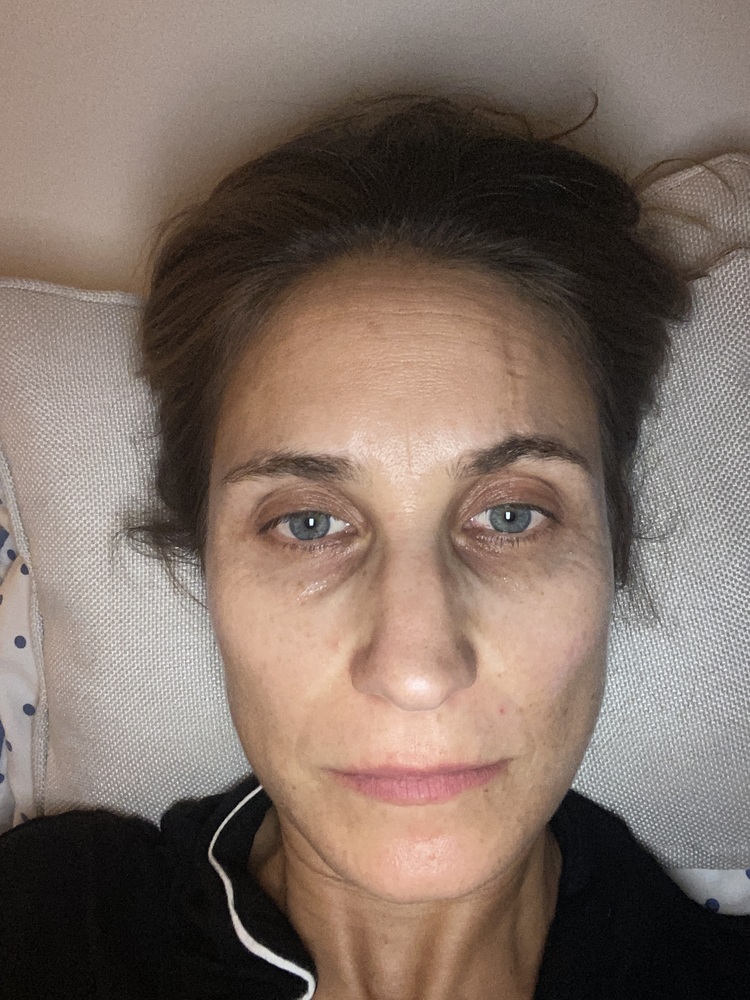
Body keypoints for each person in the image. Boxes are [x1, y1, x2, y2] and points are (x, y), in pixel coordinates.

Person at [0, 93, 747, 1000]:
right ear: (206, 566)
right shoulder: (43, 922)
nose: (417, 671)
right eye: (309, 524)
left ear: (613, 552)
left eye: (512, 516)